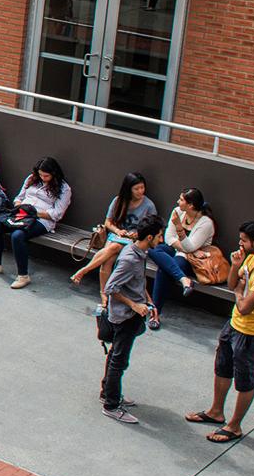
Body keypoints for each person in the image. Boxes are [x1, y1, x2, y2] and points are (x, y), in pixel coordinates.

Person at [185, 220, 254, 444]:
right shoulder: (250, 257)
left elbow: (245, 307)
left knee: (245, 379)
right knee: (222, 368)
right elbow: (231, 284)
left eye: (243, 241)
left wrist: (239, 292)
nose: (239, 244)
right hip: (234, 324)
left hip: (251, 332)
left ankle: (234, 426)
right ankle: (216, 412)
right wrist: (236, 268)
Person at [98, 215, 164, 424]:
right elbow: (110, 288)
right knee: (119, 360)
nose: (161, 241)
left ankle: (107, 392)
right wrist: (135, 305)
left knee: (115, 357)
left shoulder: (140, 253)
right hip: (125, 318)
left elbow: (138, 283)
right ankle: (111, 404)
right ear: (150, 237)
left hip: (132, 315)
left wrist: (149, 302)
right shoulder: (129, 259)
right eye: (159, 236)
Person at [0, 156, 71, 289]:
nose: (43, 178)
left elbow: (58, 214)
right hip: (21, 213)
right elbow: (19, 197)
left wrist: (33, 212)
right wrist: (19, 205)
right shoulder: (32, 179)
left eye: (46, 176)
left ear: (54, 174)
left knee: (17, 236)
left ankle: (23, 276)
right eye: (41, 175)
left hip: (42, 220)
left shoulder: (64, 188)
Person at [71, 172, 157, 309]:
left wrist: (137, 234)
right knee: (108, 260)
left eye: (142, 188)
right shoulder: (118, 201)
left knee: (114, 248)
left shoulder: (148, 205)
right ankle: (104, 294)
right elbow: (108, 222)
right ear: (128, 189)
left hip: (134, 241)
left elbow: (152, 226)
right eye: (136, 189)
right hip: (117, 235)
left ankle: (86, 271)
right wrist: (118, 231)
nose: (140, 191)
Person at [145, 188, 213, 327]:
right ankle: (184, 279)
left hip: (189, 260)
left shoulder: (206, 223)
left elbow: (189, 248)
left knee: (163, 270)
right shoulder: (178, 211)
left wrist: (179, 228)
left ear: (191, 205)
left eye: (181, 199)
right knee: (150, 247)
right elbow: (169, 238)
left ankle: (155, 313)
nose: (178, 201)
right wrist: (190, 250)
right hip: (177, 250)